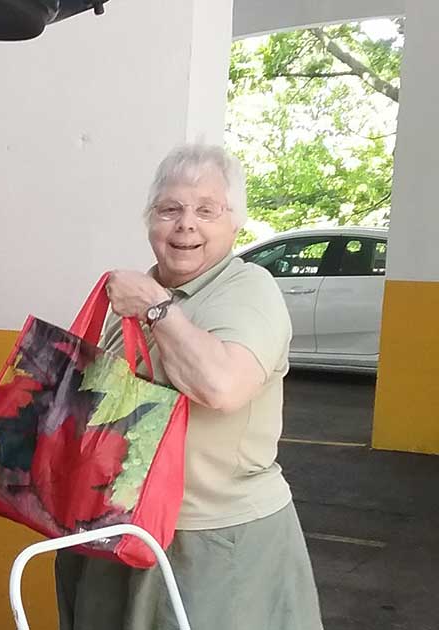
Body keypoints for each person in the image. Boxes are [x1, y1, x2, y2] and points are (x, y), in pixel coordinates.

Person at [55, 144, 324, 630]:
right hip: (114, 533)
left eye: (207, 210)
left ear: (235, 222)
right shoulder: (130, 302)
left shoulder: (247, 290)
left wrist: (157, 307)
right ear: (149, 220)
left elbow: (219, 387)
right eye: (170, 209)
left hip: (212, 543)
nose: (186, 224)